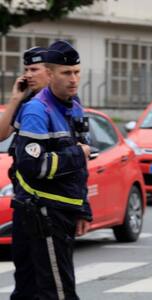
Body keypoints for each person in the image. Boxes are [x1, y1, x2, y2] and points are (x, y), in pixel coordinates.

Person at [11, 40, 92, 300]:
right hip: (43, 213)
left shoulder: (74, 104)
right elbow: (33, 165)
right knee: (57, 292)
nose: (73, 79)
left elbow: (81, 168)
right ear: (50, 73)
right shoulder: (37, 109)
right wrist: (76, 154)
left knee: (30, 291)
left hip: (62, 210)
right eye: (66, 73)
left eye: (77, 72)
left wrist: (83, 209)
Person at [0, 46, 49, 141]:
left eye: (34, 70)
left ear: (49, 71)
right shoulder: (26, 103)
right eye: (26, 70)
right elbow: (1, 136)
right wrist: (15, 99)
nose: (28, 75)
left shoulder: (64, 100)